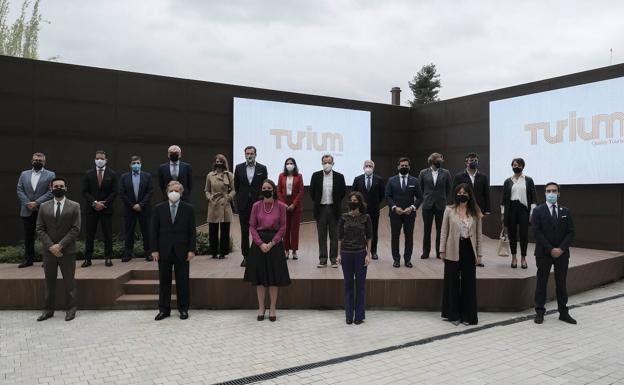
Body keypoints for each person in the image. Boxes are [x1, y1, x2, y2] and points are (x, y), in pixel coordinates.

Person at [243, 179, 291, 322]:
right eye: (264, 187)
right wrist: (260, 243)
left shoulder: (281, 206)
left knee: (273, 279)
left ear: (273, 189)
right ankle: (261, 307)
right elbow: (252, 226)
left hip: (274, 244)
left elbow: (283, 227)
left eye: (269, 187)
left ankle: (273, 308)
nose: (266, 189)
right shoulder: (256, 206)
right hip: (259, 245)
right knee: (260, 279)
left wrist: (271, 243)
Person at [35, 177, 81, 322]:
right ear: (51, 189)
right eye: (55, 186)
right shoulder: (43, 206)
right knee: (49, 282)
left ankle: (71, 309)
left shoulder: (74, 206)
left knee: (69, 281)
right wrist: (51, 246)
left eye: (61, 186)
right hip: (49, 252)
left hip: (67, 250)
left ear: (65, 188)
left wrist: (60, 245)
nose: (58, 188)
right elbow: (40, 228)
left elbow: (76, 229)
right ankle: (48, 310)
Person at [151, 181, 196, 321]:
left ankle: (183, 309)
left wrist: (191, 250)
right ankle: (164, 309)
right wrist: (154, 250)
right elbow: (154, 231)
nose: (174, 193)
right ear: (167, 192)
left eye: (177, 191)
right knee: (164, 281)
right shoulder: (159, 208)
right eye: (171, 190)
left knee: (183, 281)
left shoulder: (188, 208)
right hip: (164, 250)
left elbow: (192, 231)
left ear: (181, 193)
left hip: (182, 250)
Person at [532, 182, 576, 325]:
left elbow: (570, 232)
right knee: (541, 283)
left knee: (561, 283)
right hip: (544, 253)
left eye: (554, 191)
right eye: (548, 191)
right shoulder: (538, 211)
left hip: (562, 254)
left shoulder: (566, 211)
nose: (551, 193)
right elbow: (537, 233)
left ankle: (563, 312)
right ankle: (539, 312)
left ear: (558, 193)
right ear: (545, 193)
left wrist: (561, 249)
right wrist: (551, 249)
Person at [440, 183, 483, 326]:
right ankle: (453, 315)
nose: (462, 194)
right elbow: (443, 232)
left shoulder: (475, 212)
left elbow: (478, 236)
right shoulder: (449, 210)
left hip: (469, 250)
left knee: (468, 284)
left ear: (469, 195)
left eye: (465, 192)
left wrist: (480, 255)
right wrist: (442, 250)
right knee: (451, 283)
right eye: (459, 192)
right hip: (452, 248)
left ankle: (467, 316)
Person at [337, 192, 372, 325]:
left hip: (360, 253)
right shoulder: (343, 217)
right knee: (348, 285)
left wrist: (368, 255)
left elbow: (369, 237)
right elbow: (339, 237)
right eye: (351, 200)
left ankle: (359, 315)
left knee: (360, 285)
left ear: (360, 203)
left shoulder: (366, 217)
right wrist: (338, 254)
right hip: (346, 253)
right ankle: (348, 315)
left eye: (355, 200)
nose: (353, 202)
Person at [16, 152, 56, 268]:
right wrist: (28, 203)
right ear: (31, 161)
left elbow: (51, 191)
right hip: (27, 209)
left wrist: (37, 202)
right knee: (28, 236)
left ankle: (47, 259)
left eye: (40, 160)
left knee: (46, 236)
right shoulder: (24, 174)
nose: (37, 162)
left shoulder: (50, 175)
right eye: (35, 160)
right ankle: (28, 260)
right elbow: (19, 190)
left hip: (43, 210)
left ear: (44, 162)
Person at [453, 152, 491, 267]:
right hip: (463, 208)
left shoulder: (483, 177)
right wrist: (454, 207)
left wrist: (487, 209)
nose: (473, 162)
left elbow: (486, 194)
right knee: (464, 232)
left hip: (478, 210)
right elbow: (454, 193)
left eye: (475, 160)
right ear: (466, 162)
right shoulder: (459, 176)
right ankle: (464, 256)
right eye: (471, 160)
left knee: (478, 234)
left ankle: (478, 258)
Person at [385, 157, 423, 268]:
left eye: (406, 165)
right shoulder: (391, 180)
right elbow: (387, 196)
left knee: (409, 237)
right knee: (395, 237)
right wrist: (394, 207)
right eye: (402, 165)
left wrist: (412, 207)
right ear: (398, 167)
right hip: (395, 214)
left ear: (409, 167)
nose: (404, 167)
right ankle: (396, 260)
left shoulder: (415, 181)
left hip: (409, 214)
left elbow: (420, 197)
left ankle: (407, 260)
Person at [310, 154, 346, 268]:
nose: (327, 164)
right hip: (320, 209)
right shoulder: (315, 176)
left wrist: (335, 202)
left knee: (334, 236)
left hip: (334, 209)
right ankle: (323, 259)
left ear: (333, 163)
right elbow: (312, 192)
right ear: (322, 163)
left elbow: (342, 192)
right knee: (322, 236)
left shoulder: (340, 176)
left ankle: (334, 259)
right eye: (325, 162)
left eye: (329, 162)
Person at [82, 150, 118, 267]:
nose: (99, 160)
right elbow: (85, 192)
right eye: (97, 158)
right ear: (94, 159)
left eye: (102, 158)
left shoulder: (112, 174)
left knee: (107, 234)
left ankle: (108, 257)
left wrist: (104, 203)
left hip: (106, 209)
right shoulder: (88, 174)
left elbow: (114, 192)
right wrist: (94, 203)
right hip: (91, 209)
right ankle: (88, 259)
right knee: (89, 234)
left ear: (106, 160)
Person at [234, 146, 268, 267]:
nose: (250, 155)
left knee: (258, 231)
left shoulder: (262, 168)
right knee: (244, 231)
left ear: (255, 154)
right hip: (243, 204)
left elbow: (265, 186)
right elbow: (236, 187)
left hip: (257, 204)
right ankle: (246, 256)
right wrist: (239, 200)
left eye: (252, 153)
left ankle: (257, 255)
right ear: (244, 154)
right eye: (247, 153)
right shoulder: (238, 168)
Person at [501, 158, 537, 269]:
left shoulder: (528, 180)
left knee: (523, 234)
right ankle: (514, 258)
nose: (516, 166)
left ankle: (523, 258)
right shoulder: (508, 181)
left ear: (522, 166)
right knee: (512, 234)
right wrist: (502, 214)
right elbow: (503, 199)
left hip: (523, 209)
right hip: (511, 209)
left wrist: (532, 212)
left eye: (519, 165)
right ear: (512, 166)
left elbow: (533, 197)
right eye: (514, 165)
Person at [119, 155, 154, 262]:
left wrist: (141, 205)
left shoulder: (147, 176)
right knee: (129, 232)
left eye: (138, 163)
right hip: (129, 209)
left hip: (144, 209)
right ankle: (128, 253)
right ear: (130, 165)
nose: (136, 165)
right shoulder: (124, 177)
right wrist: (132, 205)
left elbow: (150, 192)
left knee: (146, 232)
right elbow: (122, 193)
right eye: (134, 163)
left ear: (141, 164)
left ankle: (148, 253)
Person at [419, 153, 452, 260]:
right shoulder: (423, 172)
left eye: (441, 158)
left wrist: (443, 199)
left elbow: (449, 189)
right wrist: (424, 198)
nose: (441, 160)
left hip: (441, 205)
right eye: (439, 158)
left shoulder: (446, 173)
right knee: (427, 230)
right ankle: (425, 252)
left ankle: (439, 251)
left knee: (441, 230)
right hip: (427, 205)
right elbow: (420, 189)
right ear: (433, 160)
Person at [351, 160, 385, 260]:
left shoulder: (379, 179)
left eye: (370, 166)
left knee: (373, 232)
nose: (368, 167)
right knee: (359, 231)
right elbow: (353, 194)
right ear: (363, 167)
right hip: (360, 211)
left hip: (374, 210)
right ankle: (360, 251)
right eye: (367, 166)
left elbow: (382, 195)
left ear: (373, 168)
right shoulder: (358, 179)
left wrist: (375, 204)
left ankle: (373, 252)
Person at [204, 154, 235, 259]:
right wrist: (209, 197)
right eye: (217, 162)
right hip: (213, 203)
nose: (219, 164)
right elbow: (207, 190)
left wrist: (229, 197)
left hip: (225, 203)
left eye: (221, 162)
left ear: (224, 163)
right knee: (213, 229)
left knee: (225, 230)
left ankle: (223, 252)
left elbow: (234, 189)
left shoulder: (229, 175)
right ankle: (213, 252)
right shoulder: (210, 175)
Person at [276, 157, 304, 260]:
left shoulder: (299, 176)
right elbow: (278, 190)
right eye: (287, 163)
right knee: (285, 229)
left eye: (291, 163)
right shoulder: (281, 176)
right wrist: (283, 204)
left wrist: (294, 204)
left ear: (295, 165)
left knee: (294, 229)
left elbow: (301, 191)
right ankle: (286, 250)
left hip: (295, 206)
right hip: (284, 205)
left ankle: (294, 251)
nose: (289, 165)